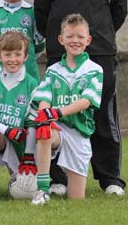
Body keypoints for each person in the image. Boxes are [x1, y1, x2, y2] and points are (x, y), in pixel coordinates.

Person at [34, 0, 127, 195]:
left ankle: (110, 179)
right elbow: (42, 12)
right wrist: (61, 42)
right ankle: (60, 180)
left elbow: (119, 10)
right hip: (60, 57)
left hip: (98, 53)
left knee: (103, 117)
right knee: (59, 118)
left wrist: (95, 36)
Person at [29, 14, 103, 205]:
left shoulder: (94, 70)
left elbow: (86, 101)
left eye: (80, 36)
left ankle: (68, 181)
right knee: (44, 131)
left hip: (80, 134)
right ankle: (42, 190)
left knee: (76, 198)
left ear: (88, 40)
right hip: (58, 130)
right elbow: (44, 98)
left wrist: (57, 112)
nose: (75, 41)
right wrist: (46, 115)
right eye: (70, 36)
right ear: (61, 40)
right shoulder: (54, 70)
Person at [0, 31, 38, 202]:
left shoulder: (32, 84)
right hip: (5, 137)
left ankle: (23, 170)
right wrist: (8, 130)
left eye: (18, 54)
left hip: (25, 142)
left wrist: (29, 155)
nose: (12, 59)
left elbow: (32, 123)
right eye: (7, 54)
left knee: (24, 188)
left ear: (25, 56)